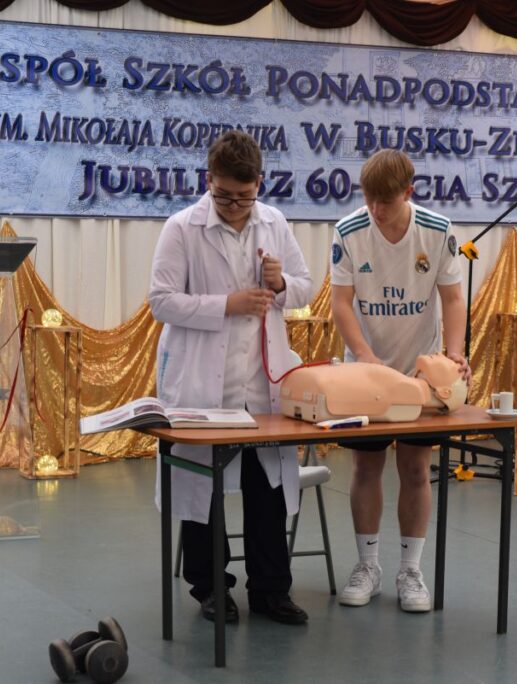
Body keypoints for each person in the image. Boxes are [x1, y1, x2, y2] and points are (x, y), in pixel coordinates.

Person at [148, 130, 314, 623]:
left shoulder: (274, 222)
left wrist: (280, 285)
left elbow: (305, 288)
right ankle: (211, 589)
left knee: (267, 489)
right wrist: (228, 305)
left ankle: (271, 591)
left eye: (244, 196)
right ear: (209, 180)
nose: (234, 206)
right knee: (204, 490)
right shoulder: (182, 228)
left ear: (259, 183)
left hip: (260, 381)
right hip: (201, 381)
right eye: (223, 195)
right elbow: (161, 301)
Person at [330, 149, 469, 612]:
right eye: (369, 199)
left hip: (417, 371)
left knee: (415, 468)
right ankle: (367, 565)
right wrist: (366, 358)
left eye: (386, 201)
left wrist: (453, 353)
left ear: (408, 192)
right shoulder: (348, 231)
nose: (376, 209)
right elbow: (341, 303)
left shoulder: (438, 230)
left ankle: (411, 570)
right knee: (366, 467)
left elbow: (452, 299)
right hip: (366, 370)